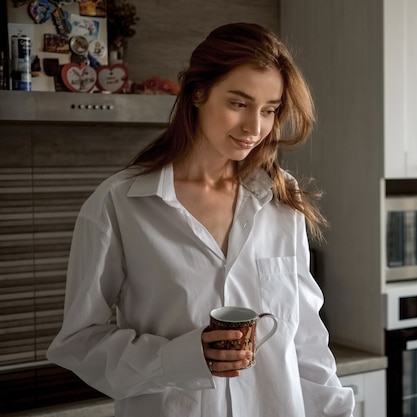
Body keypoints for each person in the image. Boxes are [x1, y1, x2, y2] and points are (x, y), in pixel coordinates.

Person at [46, 22, 355, 417]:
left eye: (269, 110)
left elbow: (307, 342)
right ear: (197, 93)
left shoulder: (281, 202)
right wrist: (180, 359)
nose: (254, 128)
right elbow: (79, 342)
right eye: (238, 104)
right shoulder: (119, 205)